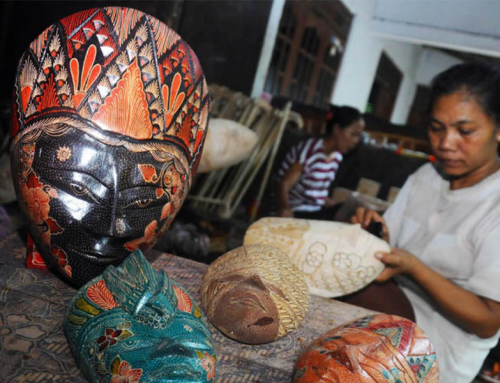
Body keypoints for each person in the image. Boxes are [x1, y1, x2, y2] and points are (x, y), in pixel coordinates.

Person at [350, 62, 500, 383]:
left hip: (441, 347)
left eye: (465, 131)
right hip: (393, 303)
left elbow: (489, 321)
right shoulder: (425, 177)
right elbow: (390, 249)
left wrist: (413, 267)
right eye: (436, 128)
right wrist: (375, 234)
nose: (445, 143)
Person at [277, 105, 364, 219]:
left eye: (358, 136)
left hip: (314, 212)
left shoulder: (336, 157)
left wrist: (337, 207)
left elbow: (317, 197)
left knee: (354, 209)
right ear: (337, 129)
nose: (355, 141)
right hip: (297, 212)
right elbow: (283, 185)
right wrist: (286, 209)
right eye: (353, 134)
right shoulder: (309, 151)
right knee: (350, 210)